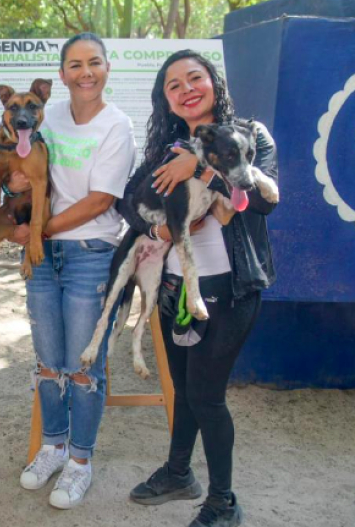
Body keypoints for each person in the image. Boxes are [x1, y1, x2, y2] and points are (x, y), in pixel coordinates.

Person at [121, 50, 278, 527]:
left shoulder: (251, 135)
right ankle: (177, 474)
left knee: (207, 395)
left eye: (196, 78)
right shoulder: (164, 149)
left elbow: (260, 201)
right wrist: (155, 233)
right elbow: (130, 204)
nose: (187, 89)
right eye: (174, 85)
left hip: (231, 288)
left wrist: (200, 168)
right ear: (166, 100)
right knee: (186, 389)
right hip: (175, 287)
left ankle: (223, 502)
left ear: (214, 82)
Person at [11, 33, 135, 509]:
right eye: (76, 65)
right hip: (43, 258)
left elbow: (100, 201)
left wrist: (38, 233)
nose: (86, 72)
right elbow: (21, 178)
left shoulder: (117, 126)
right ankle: (53, 447)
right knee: (47, 360)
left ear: (107, 69)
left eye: (95, 63)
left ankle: (81, 461)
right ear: (61, 75)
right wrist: (15, 200)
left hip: (89, 252)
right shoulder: (45, 116)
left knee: (83, 365)